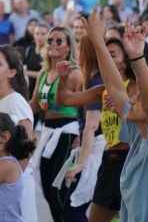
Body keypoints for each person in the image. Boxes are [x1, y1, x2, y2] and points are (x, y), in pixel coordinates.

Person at [89, 12, 148, 222]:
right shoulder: (136, 132)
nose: (132, 99)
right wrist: (98, 43)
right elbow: (115, 87)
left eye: (138, 96)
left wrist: (137, 58)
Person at [56, 37, 137, 222]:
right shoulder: (103, 89)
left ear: (125, 61)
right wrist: (62, 78)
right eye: (103, 55)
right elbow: (66, 99)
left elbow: (144, 112)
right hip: (110, 159)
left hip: (131, 159)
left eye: (112, 55)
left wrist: (126, 104)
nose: (105, 59)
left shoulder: (134, 86)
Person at [29, 26, 83, 222]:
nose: (52, 44)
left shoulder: (75, 73)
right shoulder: (44, 73)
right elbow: (34, 104)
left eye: (58, 41)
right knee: (46, 187)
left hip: (67, 132)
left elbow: (84, 106)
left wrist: (81, 137)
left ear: (68, 47)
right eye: (50, 40)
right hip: (47, 131)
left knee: (58, 190)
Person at [0, 46, 36, 221]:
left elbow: (26, 148)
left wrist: (11, 182)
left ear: (11, 72)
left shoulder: (16, 102)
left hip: (10, 185)